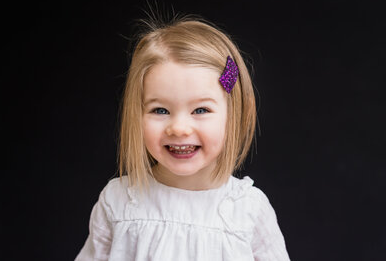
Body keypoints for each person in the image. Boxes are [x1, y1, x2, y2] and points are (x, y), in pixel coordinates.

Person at [75, 15, 290, 260]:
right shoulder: (119, 202)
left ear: (234, 114)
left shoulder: (248, 210)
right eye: (160, 110)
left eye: (200, 110)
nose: (178, 128)